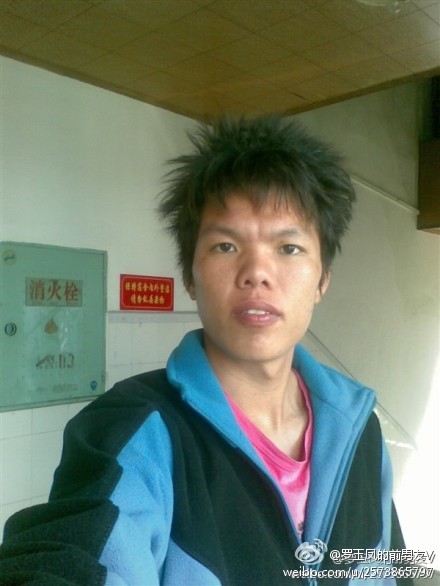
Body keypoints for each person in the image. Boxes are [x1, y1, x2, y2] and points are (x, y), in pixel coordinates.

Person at [0, 115, 410, 585]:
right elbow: (76, 552)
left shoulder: (358, 428)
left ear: (322, 280)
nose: (257, 273)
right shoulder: (132, 433)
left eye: (289, 248)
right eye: (226, 246)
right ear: (190, 278)